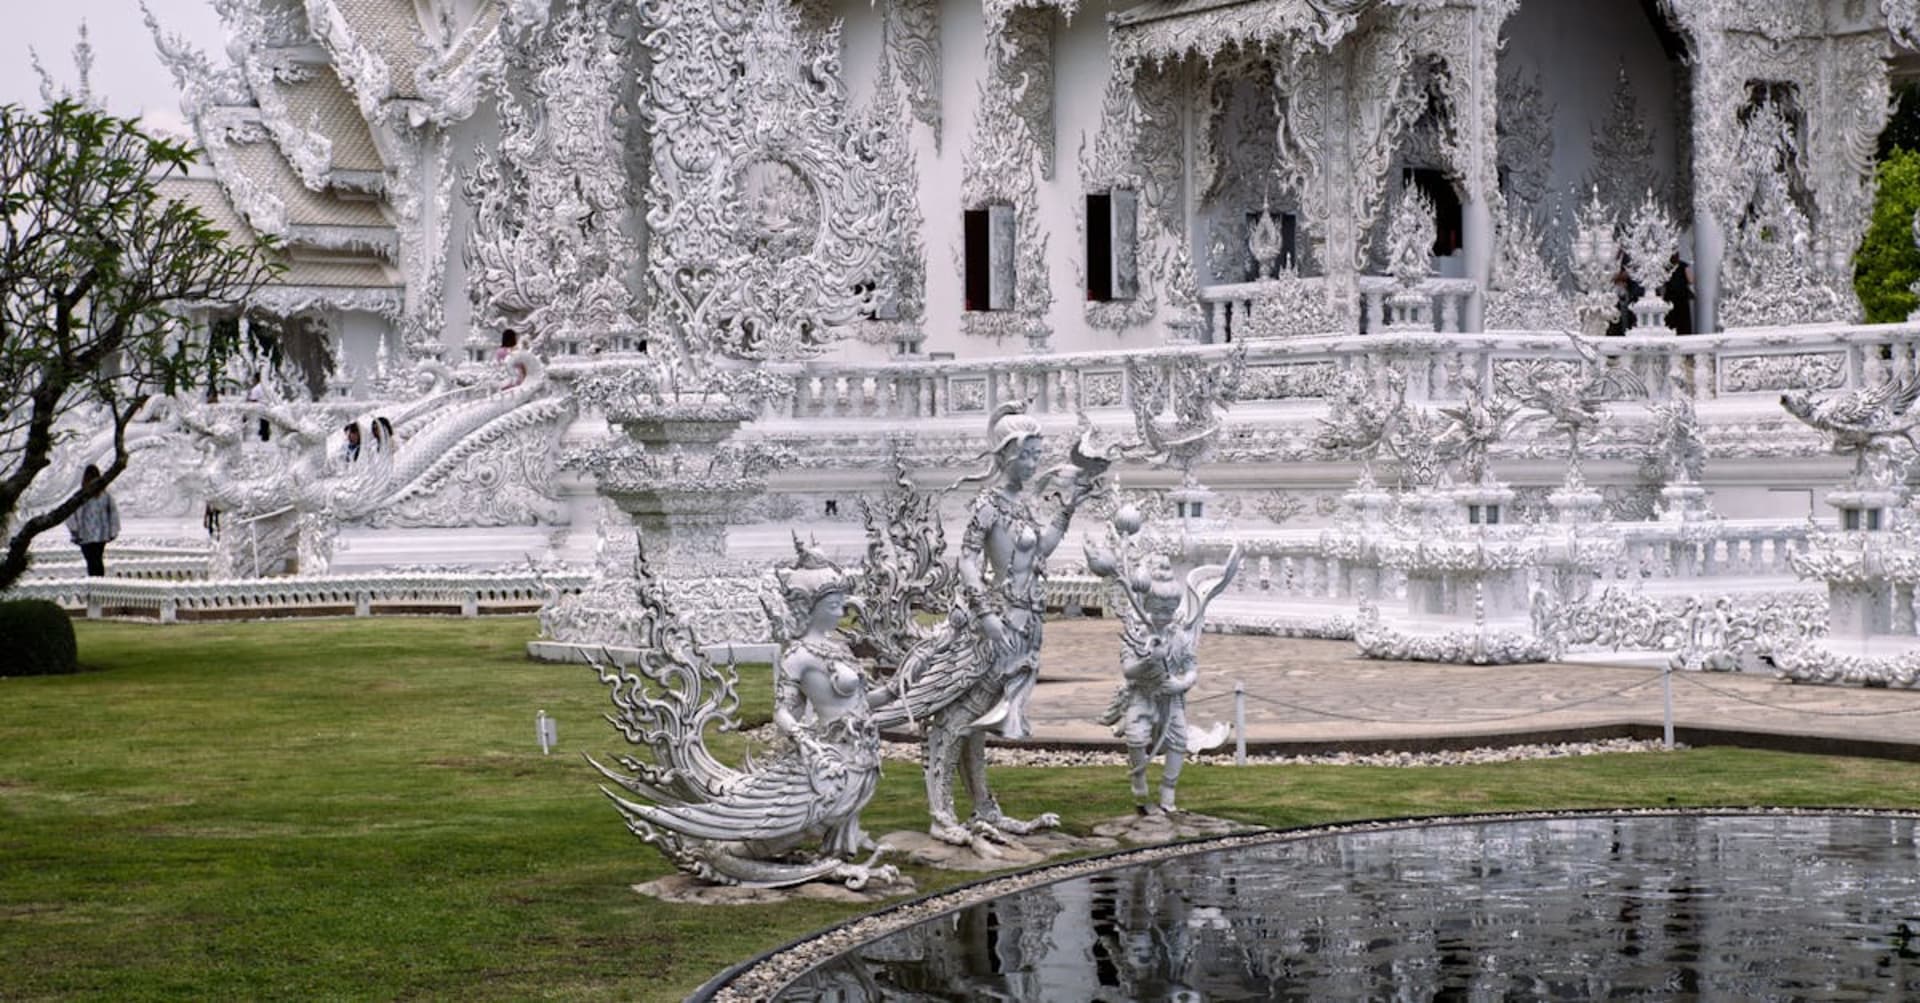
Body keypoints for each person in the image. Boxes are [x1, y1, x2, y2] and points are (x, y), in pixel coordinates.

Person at [66, 465, 120, 578]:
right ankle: (99, 583)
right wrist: (113, 531)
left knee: (91, 560)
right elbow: (113, 514)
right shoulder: (105, 495)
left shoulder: (81, 495)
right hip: (100, 534)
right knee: (97, 559)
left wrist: (74, 530)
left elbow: (70, 514)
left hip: (84, 535)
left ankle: (95, 582)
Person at [1662, 253, 1695, 334]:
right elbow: (1690, 280)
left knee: (1674, 319)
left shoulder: (1667, 266)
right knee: (1682, 320)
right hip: (1680, 296)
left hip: (1672, 296)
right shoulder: (1683, 265)